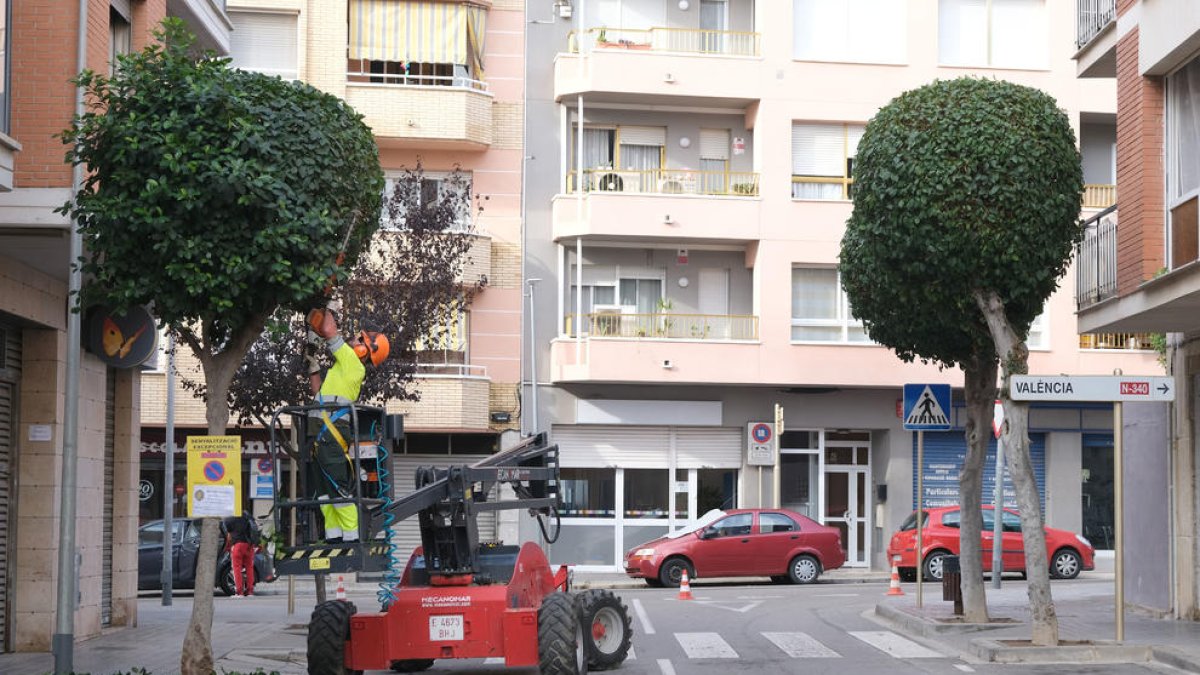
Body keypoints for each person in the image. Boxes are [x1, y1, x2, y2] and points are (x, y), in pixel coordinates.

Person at [305, 307, 390, 543]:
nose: (353, 339)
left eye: (358, 338)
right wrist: (313, 367)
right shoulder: (344, 367)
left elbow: (329, 330)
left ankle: (352, 538)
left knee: (338, 487)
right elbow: (319, 394)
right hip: (321, 432)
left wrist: (326, 304)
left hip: (329, 434)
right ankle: (334, 536)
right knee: (324, 492)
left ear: (365, 348)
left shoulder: (354, 363)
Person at [224, 512, 257, 597]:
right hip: (249, 546)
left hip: (238, 546)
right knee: (249, 568)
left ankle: (239, 592)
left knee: (236, 569)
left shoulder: (230, 519)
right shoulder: (248, 516)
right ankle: (250, 591)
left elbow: (228, 532)